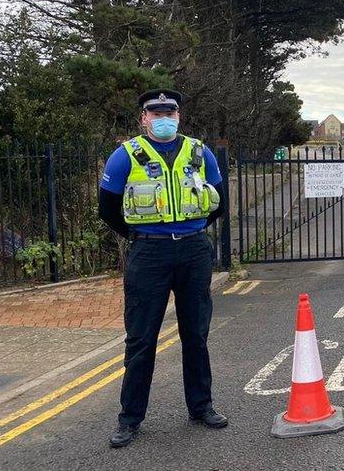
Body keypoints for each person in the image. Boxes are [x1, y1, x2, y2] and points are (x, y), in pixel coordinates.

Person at [98, 89, 228, 447]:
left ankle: (201, 407)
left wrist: (190, 229)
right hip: (149, 254)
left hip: (194, 251)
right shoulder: (125, 156)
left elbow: (218, 203)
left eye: (168, 111)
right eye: (154, 112)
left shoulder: (200, 153)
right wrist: (141, 235)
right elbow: (107, 209)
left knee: (196, 334)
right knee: (141, 339)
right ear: (143, 118)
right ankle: (129, 419)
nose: (162, 117)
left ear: (179, 115)